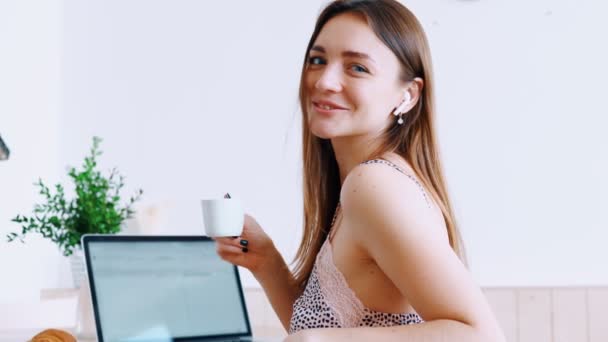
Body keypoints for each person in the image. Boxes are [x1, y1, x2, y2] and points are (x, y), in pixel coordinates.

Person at [214, 0, 505, 340]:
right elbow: (326, 327)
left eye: (357, 68)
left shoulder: (373, 185)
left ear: (408, 95)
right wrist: (267, 263)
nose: (324, 81)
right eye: (318, 60)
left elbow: (480, 336)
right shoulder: (368, 184)